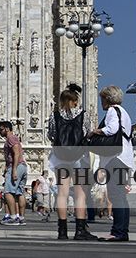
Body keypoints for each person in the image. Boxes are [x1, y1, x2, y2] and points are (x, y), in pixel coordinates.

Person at [47, 86, 96, 240]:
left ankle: (62, 232)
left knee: (62, 193)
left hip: (61, 158)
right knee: (80, 194)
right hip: (79, 158)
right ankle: (80, 231)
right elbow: (89, 133)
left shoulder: (54, 116)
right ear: (75, 101)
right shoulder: (83, 115)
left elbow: (51, 135)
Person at [90, 85, 133, 242]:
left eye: (102, 99)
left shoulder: (112, 111)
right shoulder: (124, 112)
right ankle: (122, 231)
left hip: (115, 158)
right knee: (120, 196)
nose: (101, 102)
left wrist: (95, 131)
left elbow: (112, 129)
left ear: (107, 99)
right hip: (124, 159)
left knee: (116, 196)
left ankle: (117, 232)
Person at [0, 121, 28, 225]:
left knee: (8, 192)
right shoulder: (14, 138)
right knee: (19, 192)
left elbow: (16, 153)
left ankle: (13, 217)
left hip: (17, 166)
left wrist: (14, 169)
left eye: (1, 129)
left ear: (6, 129)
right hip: (22, 166)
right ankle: (21, 218)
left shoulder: (11, 138)